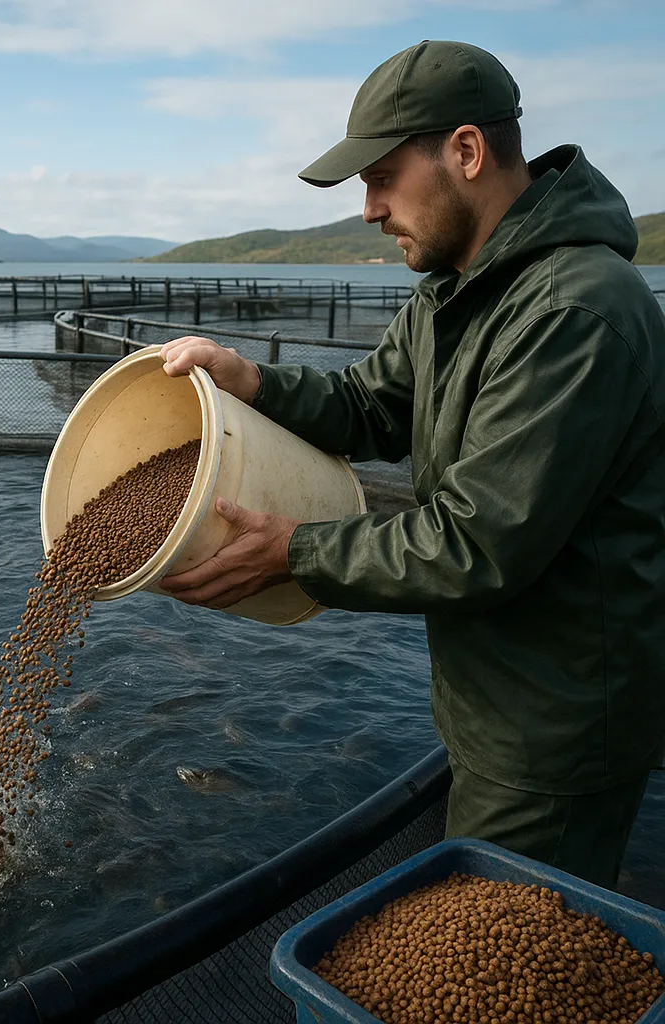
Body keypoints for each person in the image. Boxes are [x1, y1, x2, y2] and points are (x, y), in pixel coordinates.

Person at [157, 39, 665, 890]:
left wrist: (295, 551)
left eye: (382, 176)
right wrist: (248, 378)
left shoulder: (575, 311)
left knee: (512, 959)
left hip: (558, 716)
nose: (367, 209)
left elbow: (479, 542)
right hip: (494, 691)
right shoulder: (458, 289)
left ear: (465, 153)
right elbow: (372, 405)